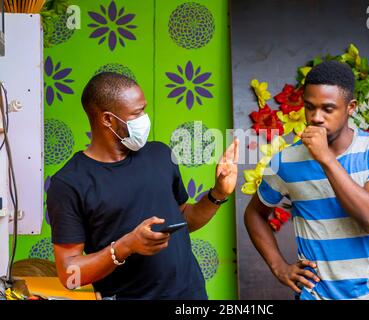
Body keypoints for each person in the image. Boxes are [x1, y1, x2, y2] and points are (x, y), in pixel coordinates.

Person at [47, 72, 239, 300]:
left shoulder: (160, 154)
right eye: (137, 113)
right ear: (107, 119)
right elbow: (70, 275)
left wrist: (218, 193)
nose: (144, 119)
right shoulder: (70, 183)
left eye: (144, 109)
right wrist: (126, 246)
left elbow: (183, 220)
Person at [244, 60, 369, 300]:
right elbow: (254, 214)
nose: (316, 118)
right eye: (310, 107)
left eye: (328, 109)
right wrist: (279, 267)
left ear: (350, 107)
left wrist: (326, 159)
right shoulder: (286, 161)